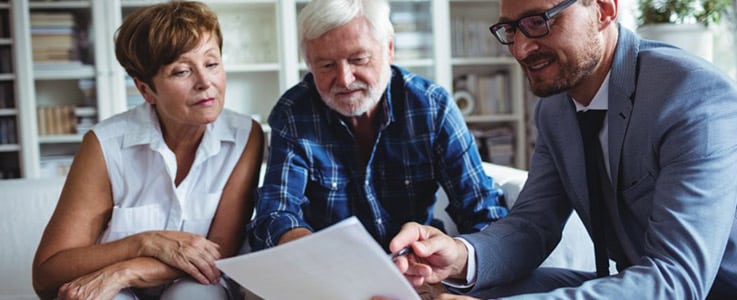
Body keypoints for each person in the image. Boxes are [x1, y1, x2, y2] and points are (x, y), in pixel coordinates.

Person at [382, 0, 737, 299]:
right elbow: (532, 225)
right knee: (462, 289)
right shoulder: (555, 109)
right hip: (634, 283)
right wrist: (459, 257)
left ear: (603, 9)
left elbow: (679, 279)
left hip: (708, 289)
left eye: (539, 22)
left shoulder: (691, 95)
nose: (521, 49)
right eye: (511, 29)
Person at [32, 2, 264, 299]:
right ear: (145, 90)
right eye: (181, 71)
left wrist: (125, 270)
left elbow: (219, 254)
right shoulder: (106, 144)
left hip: (198, 282)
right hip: (120, 292)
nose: (205, 83)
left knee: (194, 295)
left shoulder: (246, 136)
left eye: (211, 63)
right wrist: (142, 242)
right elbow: (47, 274)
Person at [248, 0, 507, 252]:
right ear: (309, 64)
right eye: (326, 65)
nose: (345, 79)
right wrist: (308, 248)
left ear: (390, 49)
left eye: (358, 59)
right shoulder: (293, 113)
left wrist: (454, 264)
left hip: (415, 263)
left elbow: (483, 209)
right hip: (328, 268)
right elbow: (275, 213)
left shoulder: (432, 107)